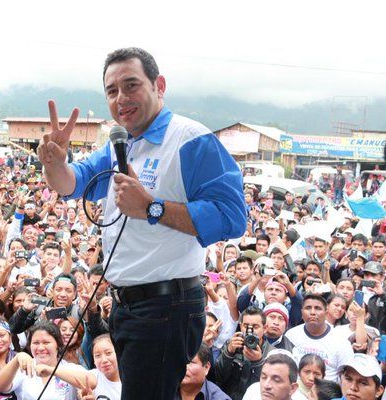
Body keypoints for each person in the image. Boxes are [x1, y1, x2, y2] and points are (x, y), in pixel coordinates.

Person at [37, 47, 246, 399]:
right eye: (112, 91)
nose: (121, 98)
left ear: (159, 85)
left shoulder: (190, 140)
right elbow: (74, 184)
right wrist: (54, 163)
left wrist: (151, 208)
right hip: (128, 305)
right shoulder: (122, 143)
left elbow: (231, 217)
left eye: (131, 85)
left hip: (165, 307)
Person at [0, 321, 85, 399]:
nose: (40, 348)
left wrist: (50, 370)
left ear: (58, 344)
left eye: (46, 342)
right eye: (36, 343)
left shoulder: (68, 368)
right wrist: (17, 358)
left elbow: (91, 381)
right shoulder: (23, 369)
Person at [285, 294, 353, 382]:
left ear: (326, 312)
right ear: (302, 312)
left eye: (318, 308)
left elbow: (346, 377)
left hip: (327, 393)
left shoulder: (341, 342)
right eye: (308, 308)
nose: (312, 312)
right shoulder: (291, 335)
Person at [215, 306, 272, 400]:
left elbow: (269, 386)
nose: (250, 331)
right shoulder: (231, 344)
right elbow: (218, 377)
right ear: (240, 325)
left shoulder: (271, 352)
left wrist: (258, 362)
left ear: (265, 328)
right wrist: (229, 353)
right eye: (246, 326)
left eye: (255, 326)